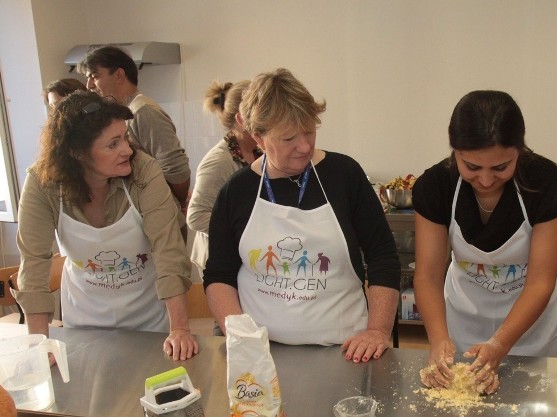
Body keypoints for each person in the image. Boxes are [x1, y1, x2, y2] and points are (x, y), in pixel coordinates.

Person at [204, 68, 400, 363]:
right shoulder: (237, 191)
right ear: (258, 136)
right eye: (288, 138)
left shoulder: (344, 175)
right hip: (262, 354)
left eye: (309, 130)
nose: (305, 146)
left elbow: (382, 255)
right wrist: (241, 334)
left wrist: (377, 330)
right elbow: (219, 274)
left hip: (347, 349)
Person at [15, 91, 198, 361]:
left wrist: (180, 329)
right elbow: (34, 263)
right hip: (84, 323)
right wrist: (40, 344)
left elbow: (168, 248)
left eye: (125, 137)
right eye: (113, 144)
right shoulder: (43, 183)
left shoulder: (143, 171)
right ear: (77, 153)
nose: (126, 149)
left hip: (149, 321)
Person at [414, 90, 557, 394]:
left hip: (532, 325)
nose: (486, 180)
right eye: (472, 167)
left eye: (501, 167)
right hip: (462, 318)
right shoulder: (435, 186)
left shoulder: (549, 185)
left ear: (519, 149)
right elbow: (427, 275)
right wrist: (438, 339)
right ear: (454, 152)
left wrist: (500, 343)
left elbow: (541, 281)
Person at [78, 46, 191, 209]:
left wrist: (176, 202)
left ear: (119, 75)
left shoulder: (143, 111)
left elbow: (176, 170)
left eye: (94, 77)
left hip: (160, 213)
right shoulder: (126, 113)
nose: (88, 85)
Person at [187, 80, 261, 274]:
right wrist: (242, 226)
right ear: (241, 120)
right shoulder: (218, 161)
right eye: (262, 115)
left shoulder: (258, 151)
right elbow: (195, 216)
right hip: (220, 261)